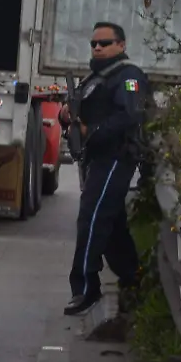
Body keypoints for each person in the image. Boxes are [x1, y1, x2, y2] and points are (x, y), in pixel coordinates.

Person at [58, 21, 150, 316]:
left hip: (114, 157)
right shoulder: (93, 79)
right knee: (111, 229)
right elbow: (81, 113)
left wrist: (90, 131)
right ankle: (135, 281)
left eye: (105, 43)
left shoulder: (128, 76)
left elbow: (129, 115)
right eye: (94, 44)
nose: (97, 48)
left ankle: (85, 288)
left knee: (92, 219)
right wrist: (66, 116)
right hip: (95, 159)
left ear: (121, 45)